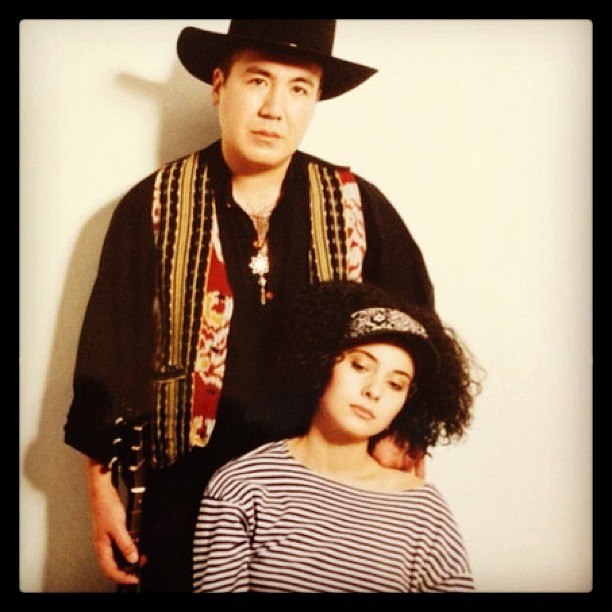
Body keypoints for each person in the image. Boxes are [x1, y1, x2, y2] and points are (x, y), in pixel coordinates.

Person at [64, 20, 436, 593]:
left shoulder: (358, 206)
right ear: (220, 85)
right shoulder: (153, 204)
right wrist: (100, 490)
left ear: (315, 99)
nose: (274, 109)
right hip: (181, 496)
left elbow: (416, 340)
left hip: (321, 491)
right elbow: (107, 356)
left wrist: (402, 439)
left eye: (298, 88)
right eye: (257, 80)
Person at [193, 280, 479, 593]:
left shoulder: (423, 510)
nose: (374, 390)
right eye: (360, 366)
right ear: (323, 363)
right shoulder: (244, 485)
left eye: (396, 384)